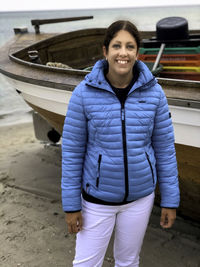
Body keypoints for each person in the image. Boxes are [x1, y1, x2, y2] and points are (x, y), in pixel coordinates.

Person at [61, 20, 180, 267]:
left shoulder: (155, 93)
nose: (123, 53)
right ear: (105, 51)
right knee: (85, 264)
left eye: (130, 46)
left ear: (137, 53)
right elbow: (72, 153)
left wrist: (170, 200)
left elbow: (165, 150)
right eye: (116, 46)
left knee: (128, 261)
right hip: (96, 201)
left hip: (140, 199)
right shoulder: (83, 94)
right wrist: (71, 206)